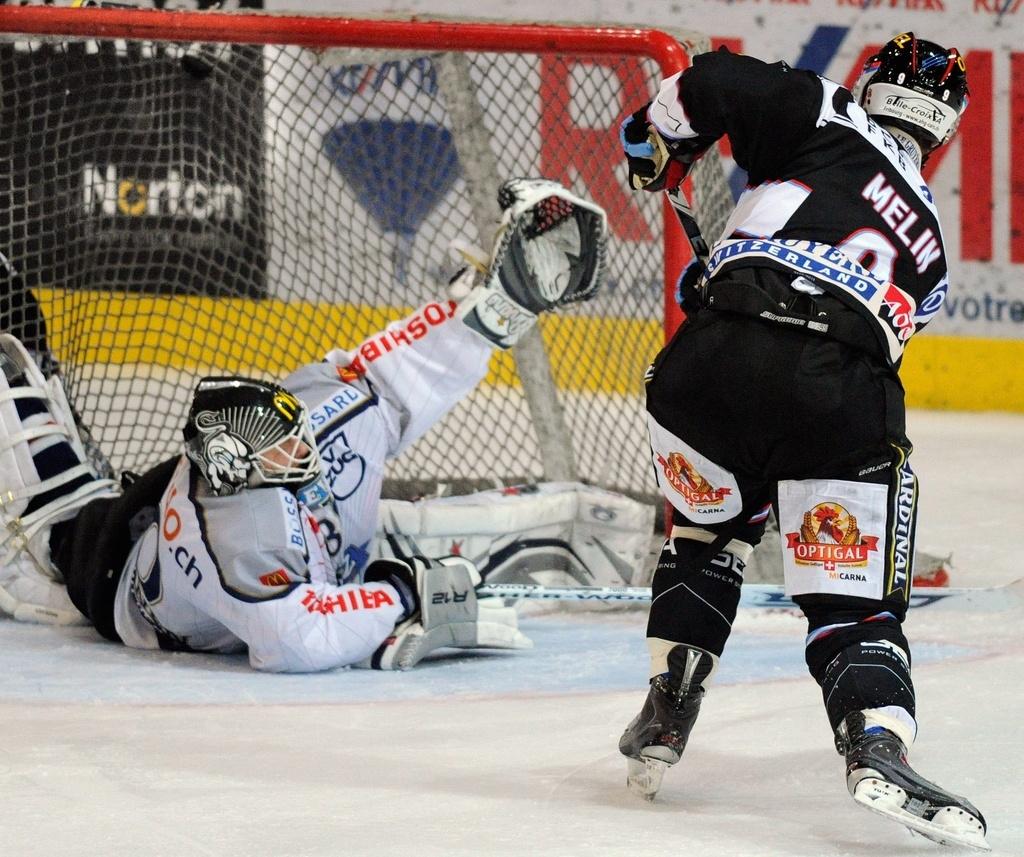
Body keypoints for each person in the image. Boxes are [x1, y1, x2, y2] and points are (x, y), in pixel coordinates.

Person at [616, 34, 989, 850]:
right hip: (837, 394)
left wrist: (653, 138)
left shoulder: (830, 113)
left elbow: (711, 79)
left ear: (870, 86)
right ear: (946, 128)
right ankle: (875, 743)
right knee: (852, 604)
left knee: (707, 536)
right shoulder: (930, 243)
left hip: (704, 369)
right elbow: (865, 319)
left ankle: (669, 699)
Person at [0, 177, 608, 673]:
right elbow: (295, 639)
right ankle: (47, 548)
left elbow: (387, 380)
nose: (300, 445)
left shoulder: (307, 420)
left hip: (159, 522)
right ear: (239, 474)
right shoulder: (235, 536)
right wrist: (401, 595)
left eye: (291, 431)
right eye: (280, 450)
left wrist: (488, 310)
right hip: (113, 581)